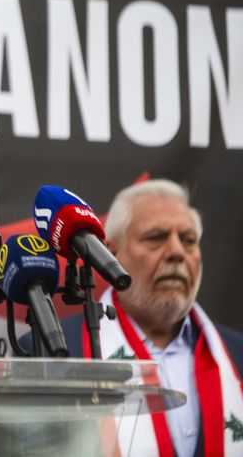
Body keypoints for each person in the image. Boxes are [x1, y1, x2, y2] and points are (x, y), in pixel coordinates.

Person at [42, 180, 243, 456]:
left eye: (188, 240)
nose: (176, 252)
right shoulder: (54, 352)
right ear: (110, 252)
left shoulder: (237, 354)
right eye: (156, 237)